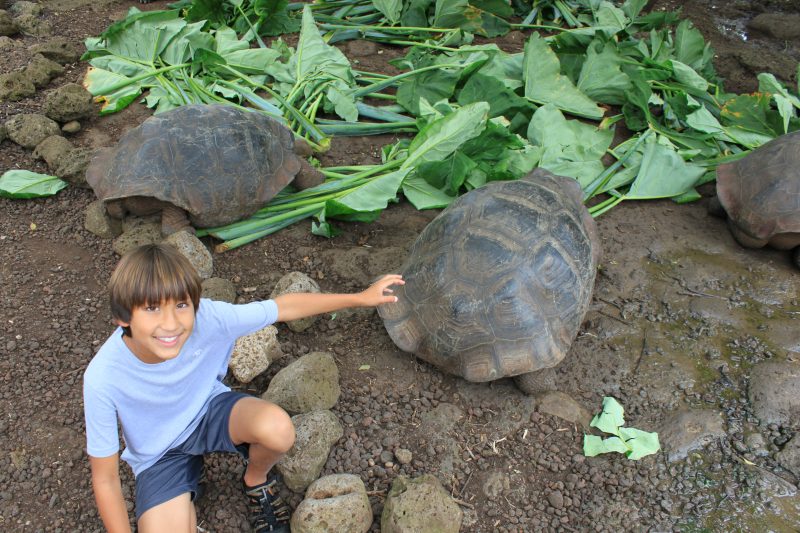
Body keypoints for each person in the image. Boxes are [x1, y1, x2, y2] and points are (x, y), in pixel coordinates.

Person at [83, 243, 403, 533]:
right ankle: (183, 489)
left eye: (181, 305)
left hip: (207, 411)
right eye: (152, 309)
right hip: (160, 453)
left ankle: (255, 480)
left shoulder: (208, 317)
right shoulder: (103, 377)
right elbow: (106, 478)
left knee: (278, 429)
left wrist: (360, 298)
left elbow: (284, 307)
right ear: (122, 317)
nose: (171, 324)